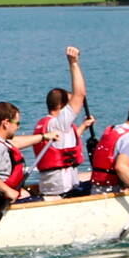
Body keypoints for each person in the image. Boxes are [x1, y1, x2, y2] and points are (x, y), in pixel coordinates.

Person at [31, 47, 94, 198]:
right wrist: (73, 63)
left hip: (51, 186)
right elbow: (80, 94)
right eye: (69, 103)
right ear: (61, 106)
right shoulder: (57, 124)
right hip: (62, 191)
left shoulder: (48, 124)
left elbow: (63, 144)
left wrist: (83, 127)